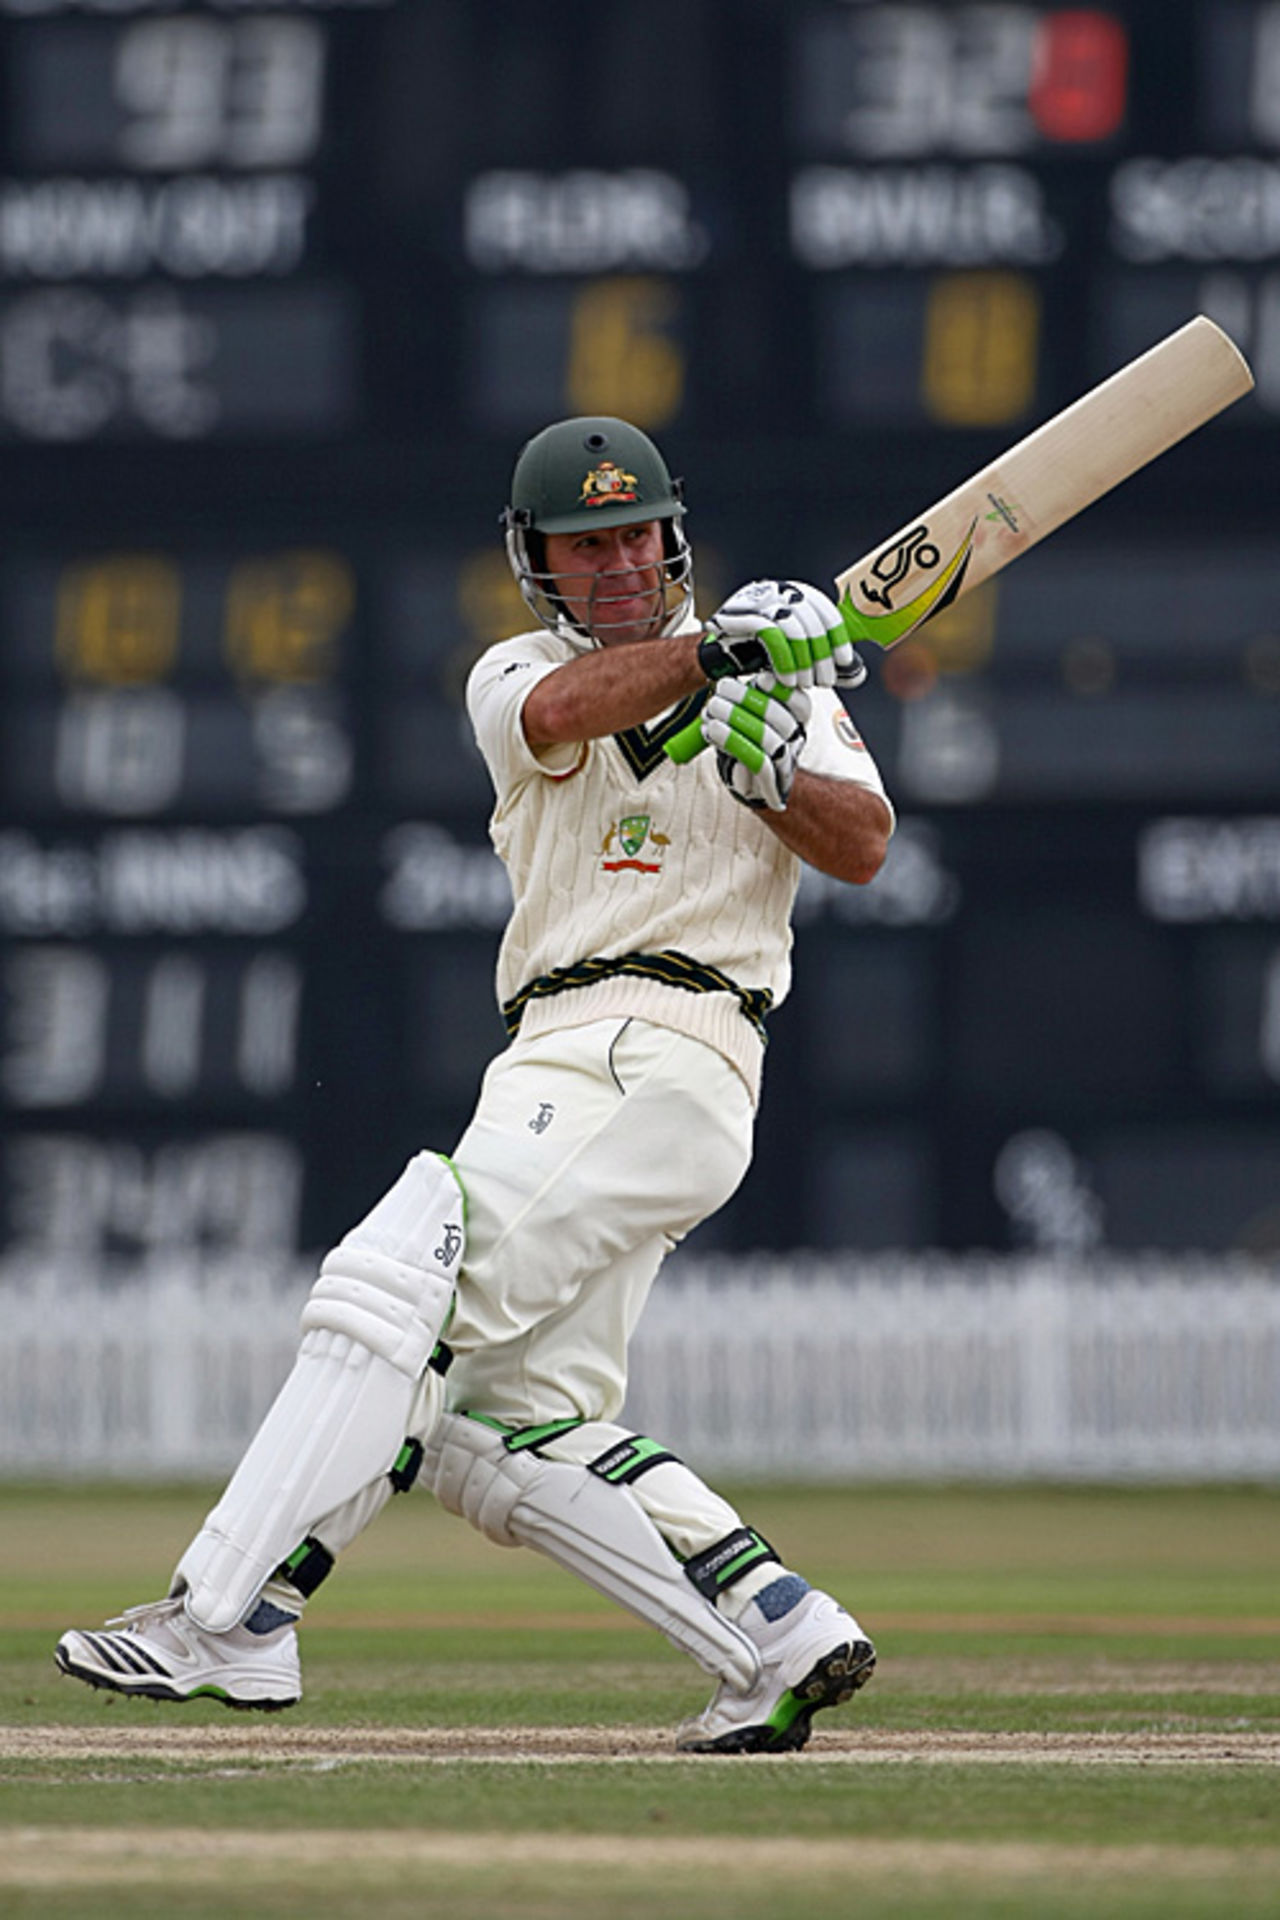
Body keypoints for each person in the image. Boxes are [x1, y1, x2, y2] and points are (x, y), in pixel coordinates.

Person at [55, 416, 895, 1753]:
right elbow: (575, 711)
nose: (616, 562)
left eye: (635, 535)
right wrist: (724, 656)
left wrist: (776, 762)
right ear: (536, 561)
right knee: (500, 1426)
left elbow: (861, 843)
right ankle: (772, 1633)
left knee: (402, 1278)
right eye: (585, 543)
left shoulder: (789, 686)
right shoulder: (517, 671)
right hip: (563, 1054)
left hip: (666, 1042)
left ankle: (231, 1613)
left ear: (671, 537)